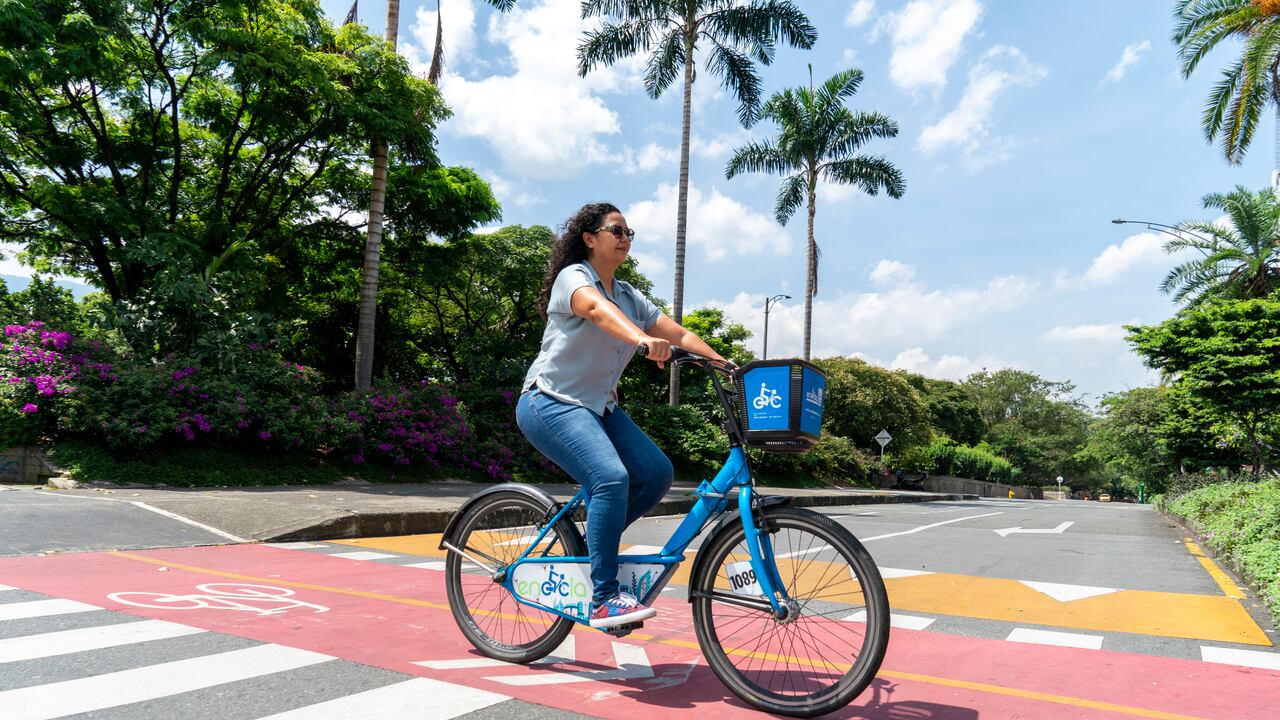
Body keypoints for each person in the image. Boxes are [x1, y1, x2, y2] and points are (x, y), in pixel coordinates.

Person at [516, 202, 730, 629]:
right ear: (590, 238)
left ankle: (596, 544)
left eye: (629, 232)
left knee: (655, 474)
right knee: (611, 479)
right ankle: (604, 597)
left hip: (598, 407)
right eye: (616, 230)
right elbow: (596, 310)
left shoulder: (630, 296)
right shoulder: (573, 278)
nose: (625, 238)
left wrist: (727, 365)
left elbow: (680, 333)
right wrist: (641, 339)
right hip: (550, 401)